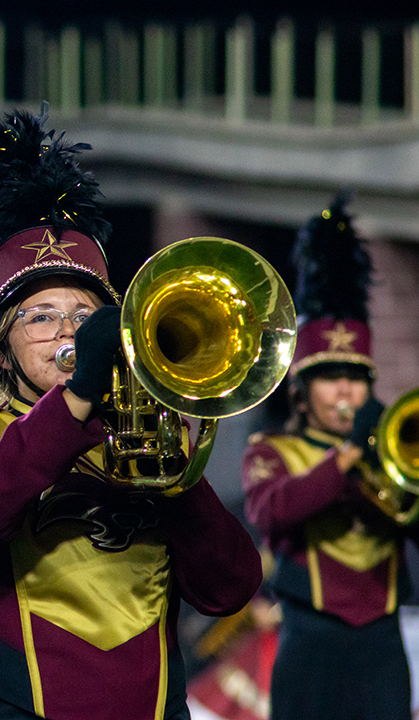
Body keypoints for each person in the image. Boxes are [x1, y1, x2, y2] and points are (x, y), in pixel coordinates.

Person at [0, 107, 263, 720]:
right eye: (41, 316)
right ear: (2, 342)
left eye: (83, 316)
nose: (65, 332)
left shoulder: (143, 440)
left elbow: (229, 587)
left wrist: (179, 477)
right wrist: (76, 398)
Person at [242, 193, 413, 720]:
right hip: (310, 643)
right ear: (301, 391)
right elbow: (272, 514)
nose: (346, 395)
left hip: (382, 645)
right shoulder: (271, 451)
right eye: (331, 381)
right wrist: (345, 458)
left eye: (356, 381)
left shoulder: (392, 451)